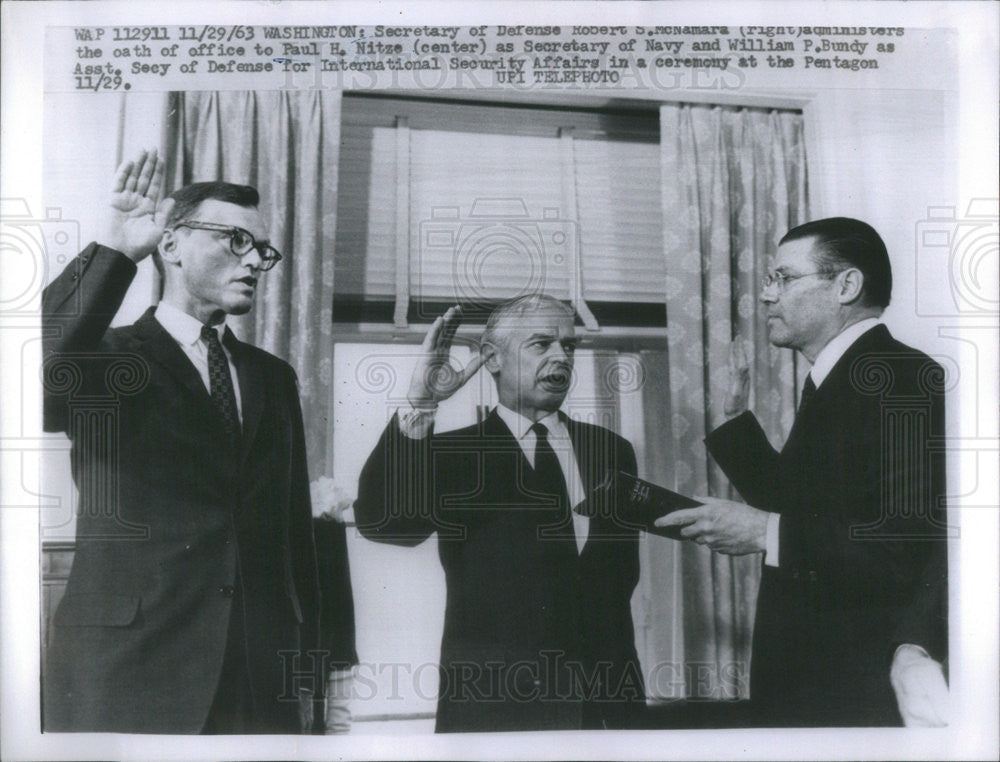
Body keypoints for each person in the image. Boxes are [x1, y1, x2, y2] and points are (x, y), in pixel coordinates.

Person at [42, 149, 354, 733]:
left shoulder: (272, 376)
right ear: (172, 245)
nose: (256, 261)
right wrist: (113, 253)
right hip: (130, 665)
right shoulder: (106, 358)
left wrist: (311, 668)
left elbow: (292, 535)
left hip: (257, 677)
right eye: (235, 240)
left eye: (262, 249)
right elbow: (32, 379)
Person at [658, 218, 948, 726]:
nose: (767, 297)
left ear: (847, 286)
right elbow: (797, 502)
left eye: (783, 278)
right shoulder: (842, 377)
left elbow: (903, 547)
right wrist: (734, 419)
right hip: (813, 678)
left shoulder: (902, 377)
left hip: (850, 684)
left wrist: (763, 531)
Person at [354, 295, 646, 732]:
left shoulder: (612, 451)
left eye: (568, 346)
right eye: (541, 344)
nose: (560, 357)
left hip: (605, 709)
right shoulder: (453, 454)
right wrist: (420, 404)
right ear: (492, 357)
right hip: (492, 711)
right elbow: (385, 523)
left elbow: (619, 578)